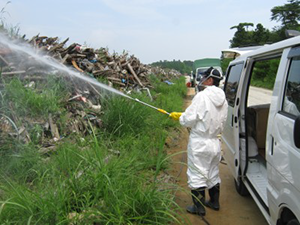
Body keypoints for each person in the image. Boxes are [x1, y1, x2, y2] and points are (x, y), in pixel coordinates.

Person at [169, 67, 228, 216]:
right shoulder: (223, 99)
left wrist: (180, 117)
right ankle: (214, 202)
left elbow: (188, 119)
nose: (201, 79)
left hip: (200, 143)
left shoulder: (202, 96)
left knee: (197, 174)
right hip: (215, 142)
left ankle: (199, 208)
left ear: (209, 80)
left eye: (204, 77)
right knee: (213, 172)